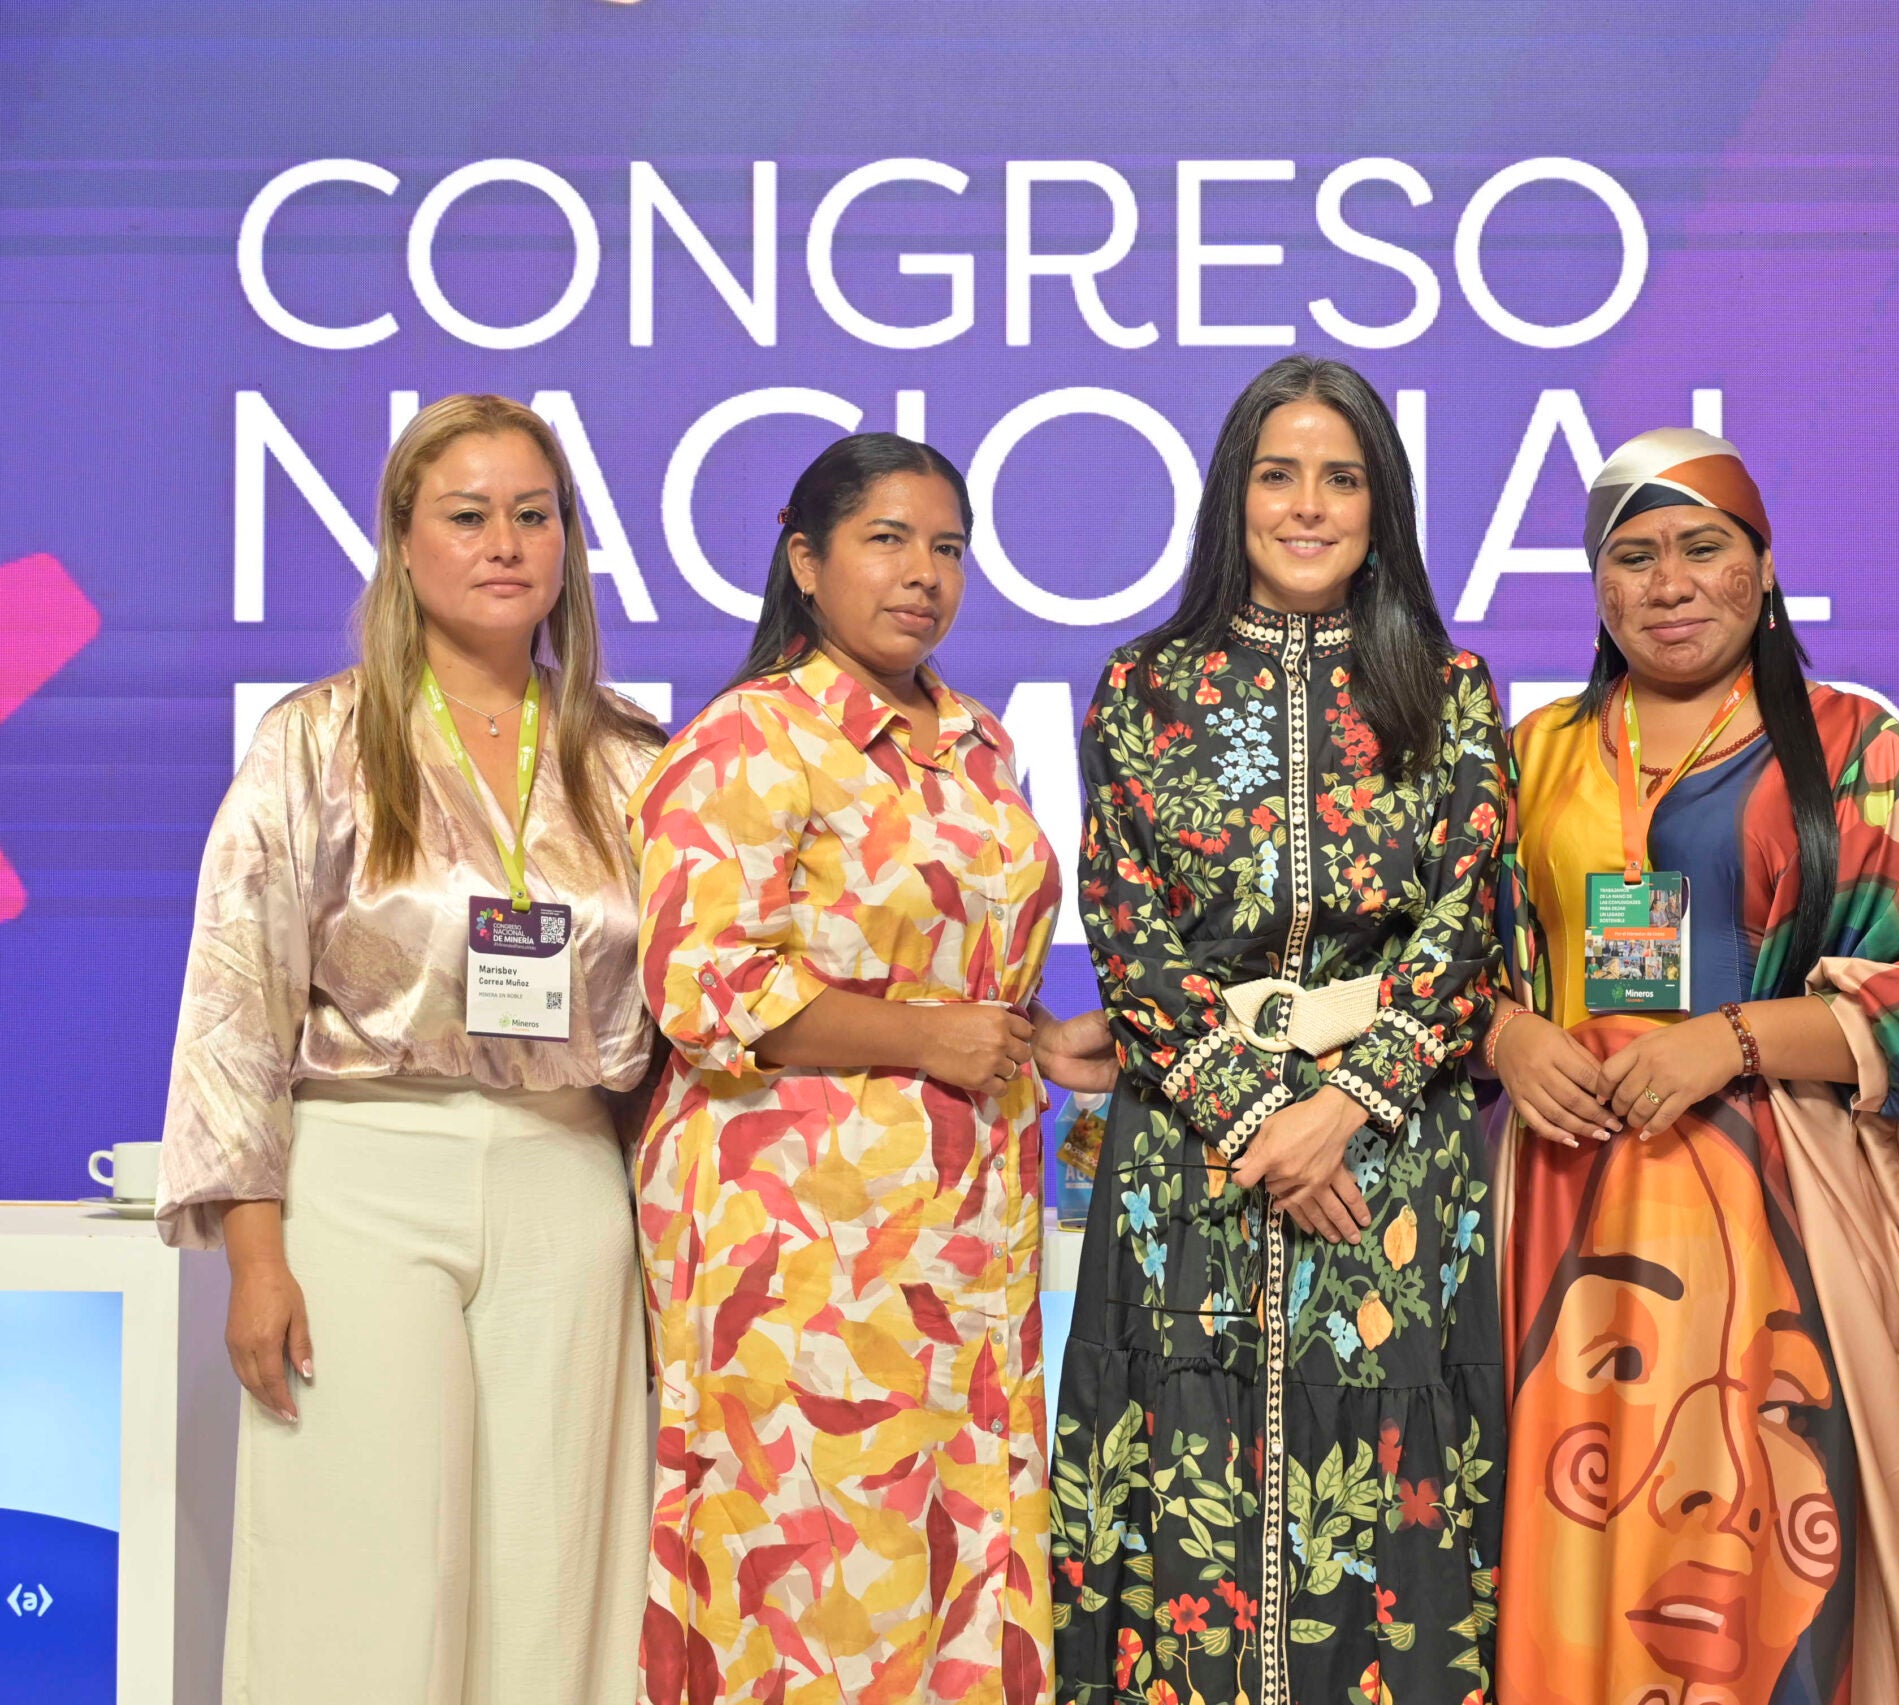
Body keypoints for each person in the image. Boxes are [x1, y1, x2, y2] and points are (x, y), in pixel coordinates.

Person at [156, 393, 667, 1704]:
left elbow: (691, 1013)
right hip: (364, 1172)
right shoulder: (316, 739)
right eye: (467, 514)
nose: (504, 543)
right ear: (401, 538)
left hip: (570, 1178)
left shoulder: (632, 759)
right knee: (362, 1569)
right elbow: (237, 999)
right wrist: (254, 1256)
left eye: (533, 515)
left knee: (556, 1578)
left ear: (569, 543)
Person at [1489, 427, 1899, 1705]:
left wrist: (1734, 1037)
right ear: (1596, 586)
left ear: (1762, 569)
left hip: (1782, 1212)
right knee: (1568, 1526)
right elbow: (1447, 963)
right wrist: (1506, 1033)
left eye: (1701, 548)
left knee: (1753, 1516)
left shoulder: (1854, 746)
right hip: (1563, 1207)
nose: (1668, 583)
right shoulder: (1532, 753)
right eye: (1633, 557)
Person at [627, 432, 1114, 1705]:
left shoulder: (978, 739)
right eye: (886, 540)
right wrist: (926, 1039)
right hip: (801, 1245)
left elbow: (945, 972)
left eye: (946, 547)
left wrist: (1035, 1034)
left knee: (955, 1561)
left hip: (964, 1239)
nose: (922, 574)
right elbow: (703, 982)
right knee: (816, 1576)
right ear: (805, 560)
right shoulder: (750, 739)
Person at [1050, 355, 1508, 1705]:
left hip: (1389, 1152)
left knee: (1385, 1491)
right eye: (1278, 475)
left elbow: (1463, 924)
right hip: (1194, 1147)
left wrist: (1342, 1110)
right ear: (1232, 497)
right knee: (1186, 1472)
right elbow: (1126, 927)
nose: (1307, 506)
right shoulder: (1145, 686)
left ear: (1382, 505)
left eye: (1341, 478)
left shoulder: (1449, 685)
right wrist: (1259, 1118)